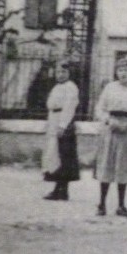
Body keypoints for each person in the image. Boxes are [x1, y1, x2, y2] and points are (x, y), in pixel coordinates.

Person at [94, 58, 127, 217]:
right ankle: (102, 204)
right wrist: (108, 121)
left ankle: (121, 205)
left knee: (123, 167)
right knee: (107, 164)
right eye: (120, 70)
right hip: (110, 129)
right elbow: (100, 109)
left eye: (126, 70)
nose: (123, 73)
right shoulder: (109, 88)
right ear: (116, 72)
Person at [42, 61, 81, 201]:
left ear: (69, 73)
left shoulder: (71, 88)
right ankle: (58, 189)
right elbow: (51, 106)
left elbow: (69, 108)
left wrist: (63, 125)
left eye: (64, 72)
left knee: (64, 156)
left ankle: (62, 190)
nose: (60, 74)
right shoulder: (57, 87)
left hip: (63, 123)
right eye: (58, 72)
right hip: (54, 120)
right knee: (54, 155)